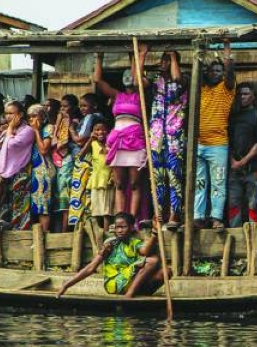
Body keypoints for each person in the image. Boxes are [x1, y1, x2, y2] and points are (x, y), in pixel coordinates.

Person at [57, 212, 163, 298]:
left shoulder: (134, 242)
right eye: (117, 227)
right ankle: (129, 295)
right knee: (152, 260)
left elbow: (144, 251)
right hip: (114, 283)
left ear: (131, 227)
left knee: (166, 272)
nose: (120, 230)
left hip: (130, 282)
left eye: (123, 227)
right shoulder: (111, 244)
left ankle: (136, 293)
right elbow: (90, 268)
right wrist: (66, 285)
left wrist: (155, 230)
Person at [93, 53, 146, 218]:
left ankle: (131, 218)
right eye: (126, 75)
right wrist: (99, 58)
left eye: (131, 73)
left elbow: (137, 77)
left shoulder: (141, 94)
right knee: (120, 184)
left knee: (134, 183)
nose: (129, 77)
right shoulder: (117, 95)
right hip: (118, 141)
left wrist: (136, 56)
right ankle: (120, 217)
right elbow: (97, 80)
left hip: (135, 140)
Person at [196, 41, 237, 230]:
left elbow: (230, 72)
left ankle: (216, 217)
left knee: (218, 182)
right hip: (198, 144)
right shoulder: (201, 88)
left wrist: (226, 47)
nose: (216, 73)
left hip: (218, 144)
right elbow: (199, 68)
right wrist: (202, 52)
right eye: (213, 70)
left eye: (219, 71)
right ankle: (198, 217)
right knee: (199, 182)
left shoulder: (226, 89)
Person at [146, 46, 186, 228]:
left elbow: (177, 79)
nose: (162, 63)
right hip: (156, 137)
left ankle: (174, 215)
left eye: (166, 60)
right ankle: (158, 214)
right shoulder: (156, 81)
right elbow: (137, 79)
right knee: (158, 177)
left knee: (174, 176)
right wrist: (141, 55)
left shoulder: (182, 80)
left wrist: (173, 57)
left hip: (174, 136)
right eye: (162, 60)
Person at [226, 82, 257, 228]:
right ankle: (235, 236)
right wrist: (233, 161)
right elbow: (226, 141)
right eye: (240, 94)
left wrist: (242, 162)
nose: (242, 97)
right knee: (233, 203)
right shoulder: (231, 116)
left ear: (253, 96)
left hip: (252, 168)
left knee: (253, 204)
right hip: (233, 168)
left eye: (246, 94)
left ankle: (254, 236)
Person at [0, 101, 36, 230]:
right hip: (4, 172)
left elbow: (12, 144)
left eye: (11, 113)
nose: (8, 117)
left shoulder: (27, 130)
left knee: (19, 204)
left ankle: (20, 234)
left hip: (20, 172)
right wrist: (9, 130)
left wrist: (10, 129)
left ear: (21, 114)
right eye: (6, 114)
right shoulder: (6, 130)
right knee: (5, 204)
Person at [50, 94, 80, 231]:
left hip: (70, 159)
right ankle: (59, 228)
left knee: (66, 191)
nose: (62, 109)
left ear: (73, 107)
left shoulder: (74, 121)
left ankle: (66, 229)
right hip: (59, 160)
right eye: (61, 107)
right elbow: (54, 141)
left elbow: (64, 142)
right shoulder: (61, 121)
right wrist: (58, 122)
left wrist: (65, 121)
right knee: (58, 192)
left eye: (66, 106)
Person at [27, 104, 56, 232]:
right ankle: (36, 233)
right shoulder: (29, 129)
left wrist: (36, 131)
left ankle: (44, 233)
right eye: (29, 117)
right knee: (34, 203)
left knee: (43, 203)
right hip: (34, 169)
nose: (31, 120)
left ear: (43, 117)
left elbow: (44, 149)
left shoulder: (48, 128)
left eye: (34, 116)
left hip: (44, 168)